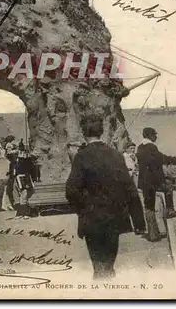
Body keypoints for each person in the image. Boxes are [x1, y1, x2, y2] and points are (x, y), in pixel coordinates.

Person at [66, 115, 146, 279]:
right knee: (109, 264)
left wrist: (83, 208)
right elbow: (130, 188)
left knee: (98, 265)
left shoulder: (81, 156)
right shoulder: (116, 155)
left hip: (92, 218)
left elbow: (71, 191)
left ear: (83, 133)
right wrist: (138, 221)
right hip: (115, 217)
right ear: (101, 132)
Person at [136, 127, 176, 242]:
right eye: (155, 135)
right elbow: (162, 159)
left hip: (144, 183)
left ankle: (153, 234)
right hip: (154, 181)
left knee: (149, 206)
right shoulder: (151, 147)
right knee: (169, 184)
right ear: (150, 136)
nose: (156, 137)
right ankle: (170, 209)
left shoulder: (139, 148)